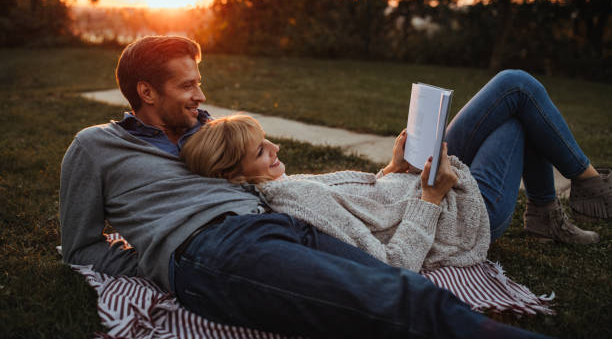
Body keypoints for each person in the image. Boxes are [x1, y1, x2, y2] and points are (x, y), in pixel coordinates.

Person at [58, 35, 604, 338]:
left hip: (278, 226)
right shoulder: (95, 147)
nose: (201, 96)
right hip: (220, 245)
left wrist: (394, 172)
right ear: (146, 92)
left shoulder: (204, 133)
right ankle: (576, 193)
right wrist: (154, 258)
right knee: (394, 299)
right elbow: (80, 244)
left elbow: (296, 190)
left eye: (200, 83)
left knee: (408, 292)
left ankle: (573, 191)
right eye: (187, 86)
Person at [180, 114, 491, 273]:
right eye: (261, 150)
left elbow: (356, 209)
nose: (276, 149)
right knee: (515, 88)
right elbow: (393, 264)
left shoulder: (276, 186)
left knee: (515, 92)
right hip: (461, 214)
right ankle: (542, 204)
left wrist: (391, 169)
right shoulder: (295, 200)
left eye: (267, 139)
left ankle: (543, 205)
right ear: (233, 174)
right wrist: (431, 198)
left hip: (431, 187)